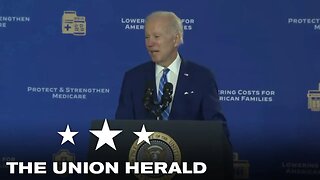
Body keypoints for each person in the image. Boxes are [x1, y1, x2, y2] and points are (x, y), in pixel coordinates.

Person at [115, 11, 226, 123]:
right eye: (147, 37)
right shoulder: (133, 78)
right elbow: (123, 128)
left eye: (156, 36)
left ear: (176, 39)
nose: (150, 43)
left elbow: (217, 128)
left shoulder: (202, 77)